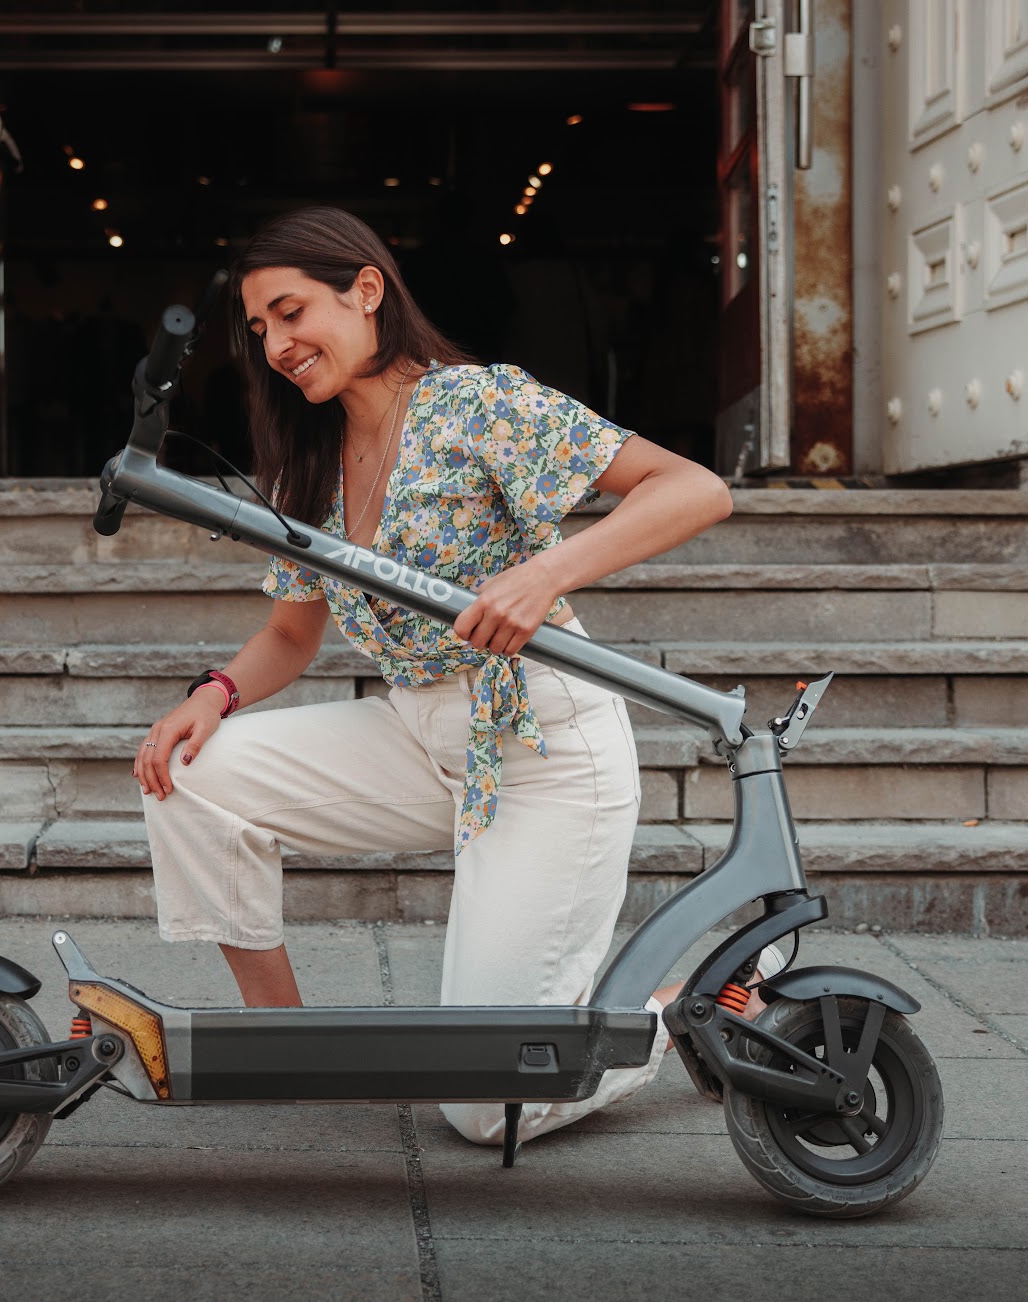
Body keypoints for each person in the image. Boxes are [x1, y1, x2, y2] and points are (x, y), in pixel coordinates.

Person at [133, 207, 739, 1148]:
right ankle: (286, 1048)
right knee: (194, 776)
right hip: (416, 732)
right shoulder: (310, 459)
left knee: (486, 1105)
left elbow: (697, 488)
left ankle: (699, 1006)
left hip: (542, 746)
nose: (279, 345)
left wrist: (545, 573)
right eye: (259, 331)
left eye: (292, 312)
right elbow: (291, 636)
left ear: (367, 290)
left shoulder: (479, 405)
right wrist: (210, 696)